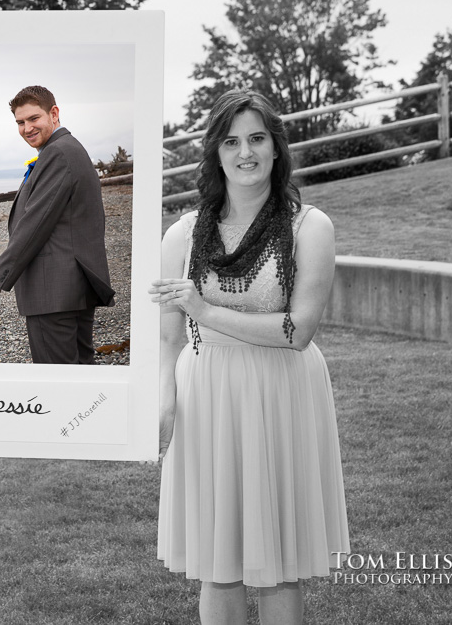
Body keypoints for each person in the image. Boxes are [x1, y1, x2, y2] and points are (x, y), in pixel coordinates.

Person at [148, 89, 349, 624]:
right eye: (232, 141)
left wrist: (203, 310)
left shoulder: (311, 227)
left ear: (277, 148)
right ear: (215, 152)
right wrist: (164, 404)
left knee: (279, 561)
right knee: (220, 562)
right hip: (206, 396)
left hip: (282, 390)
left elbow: (298, 331)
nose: (246, 152)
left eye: (258, 138)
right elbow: (168, 338)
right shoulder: (183, 235)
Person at [0, 86, 114, 364]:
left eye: (33, 119)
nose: (27, 128)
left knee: (57, 382)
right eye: (20, 122)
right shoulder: (67, 149)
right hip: (72, 287)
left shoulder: (58, 153)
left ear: (54, 113)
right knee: (81, 373)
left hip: (54, 290)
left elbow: (34, 226)